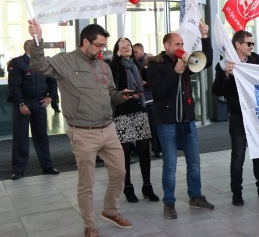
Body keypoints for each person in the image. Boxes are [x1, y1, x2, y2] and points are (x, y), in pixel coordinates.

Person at [28, 20, 134, 237]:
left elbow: (111, 94)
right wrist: (38, 39)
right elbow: (38, 65)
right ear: (85, 41)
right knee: (87, 182)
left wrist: (121, 96)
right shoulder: (65, 61)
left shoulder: (104, 66)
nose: (102, 50)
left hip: (108, 128)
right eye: (99, 45)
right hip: (83, 132)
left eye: (104, 46)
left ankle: (111, 211)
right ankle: (90, 226)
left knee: (120, 172)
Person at [148, 22, 214, 219]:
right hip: (167, 121)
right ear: (166, 45)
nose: (181, 47)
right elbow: (158, 92)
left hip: (187, 120)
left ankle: (195, 196)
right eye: (177, 44)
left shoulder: (186, 62)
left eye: (182, 43)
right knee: (170, 165)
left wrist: (205, 37)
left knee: (194, 161)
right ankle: (169, 202)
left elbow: (207, 61)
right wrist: (174, 72)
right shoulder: (155, 65)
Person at [212, 27, 259, 206]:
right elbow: (216, 90)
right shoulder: (224, 64)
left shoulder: (254, 60)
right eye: (248, 43)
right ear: (237, 44)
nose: (252, 46)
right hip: (237, 116)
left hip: (255, 114)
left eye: (253, 43)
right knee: (238, 155)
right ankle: (237, 192)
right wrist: (227, 74)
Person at [109, 38, 159, 203]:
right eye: (122, 46)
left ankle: (147, 186)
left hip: (139, 107)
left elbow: (148, 80)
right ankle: (128, 187)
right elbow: (112, 87)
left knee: (145, 147)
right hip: (122, 111)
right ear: (117, 49)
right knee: (125, 150)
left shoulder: (136, 65)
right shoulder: (114, 66)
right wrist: (116, 58)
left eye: (128, 45)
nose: (126, 47)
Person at [7, 39, 60, 180]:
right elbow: (14, 86)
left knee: (42, 136)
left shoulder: (44, 62)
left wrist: (51, 97)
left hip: (39, 103)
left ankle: (47, 166)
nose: (40, 48)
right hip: (23, 104)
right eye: (38, 46)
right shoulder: (17, 63)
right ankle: (18, 169)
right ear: (30, 48)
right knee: (21, 137)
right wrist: (20, 104)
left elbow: (52, 81)